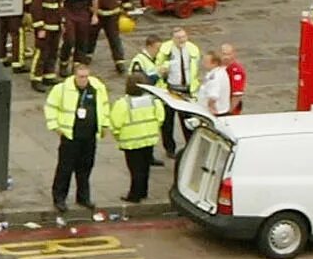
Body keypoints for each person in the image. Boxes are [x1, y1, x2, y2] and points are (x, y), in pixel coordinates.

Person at [44, 58, 104, 214]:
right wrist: (55, 127)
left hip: (89, 136)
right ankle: (59, 198)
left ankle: (83, 197)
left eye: (86, 76)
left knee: (85, 168)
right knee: (65, 169)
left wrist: (104, 126)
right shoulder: (62, 89)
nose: (84, 80)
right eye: (81, 77)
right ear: (74, 77)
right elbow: (50, 107)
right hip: (70, 136)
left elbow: (104, 107)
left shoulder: (97, 87)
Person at [110, 69, 161, 204]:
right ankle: (143, 192)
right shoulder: (153, 101)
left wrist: (117, 136)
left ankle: (134, 195)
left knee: (135, 170)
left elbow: (115, 123)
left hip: (131, 142)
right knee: (145, 168)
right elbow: (160, 118)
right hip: (149, 139)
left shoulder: (122, 104)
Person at [150, 30, 205, 153]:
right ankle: (170, 148)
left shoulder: (192, 49)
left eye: (184, 37)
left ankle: (190, 146)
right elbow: (158, 67)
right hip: (170, 89)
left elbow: (194, 68)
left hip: (186, 89)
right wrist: (163, 70)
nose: (181, 40)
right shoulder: (166, 50)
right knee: (167, 122)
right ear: (173, 39)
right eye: (178, 37)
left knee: (188, 121)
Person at [90, 0, 134, 71]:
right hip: (97, 13)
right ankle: (86, 58)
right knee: (90, 37)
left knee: (114, 39)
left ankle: (119, 62)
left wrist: (128, 10)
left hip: (112, 14)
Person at [23, 0, 68, 88]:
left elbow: (60, 7)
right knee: (42, 53)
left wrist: (62, 22)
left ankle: (49, 75)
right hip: (45, 28)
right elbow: (36, 9)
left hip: (55, 28)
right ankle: (36, 78)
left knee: (53, 52)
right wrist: (40, 27)